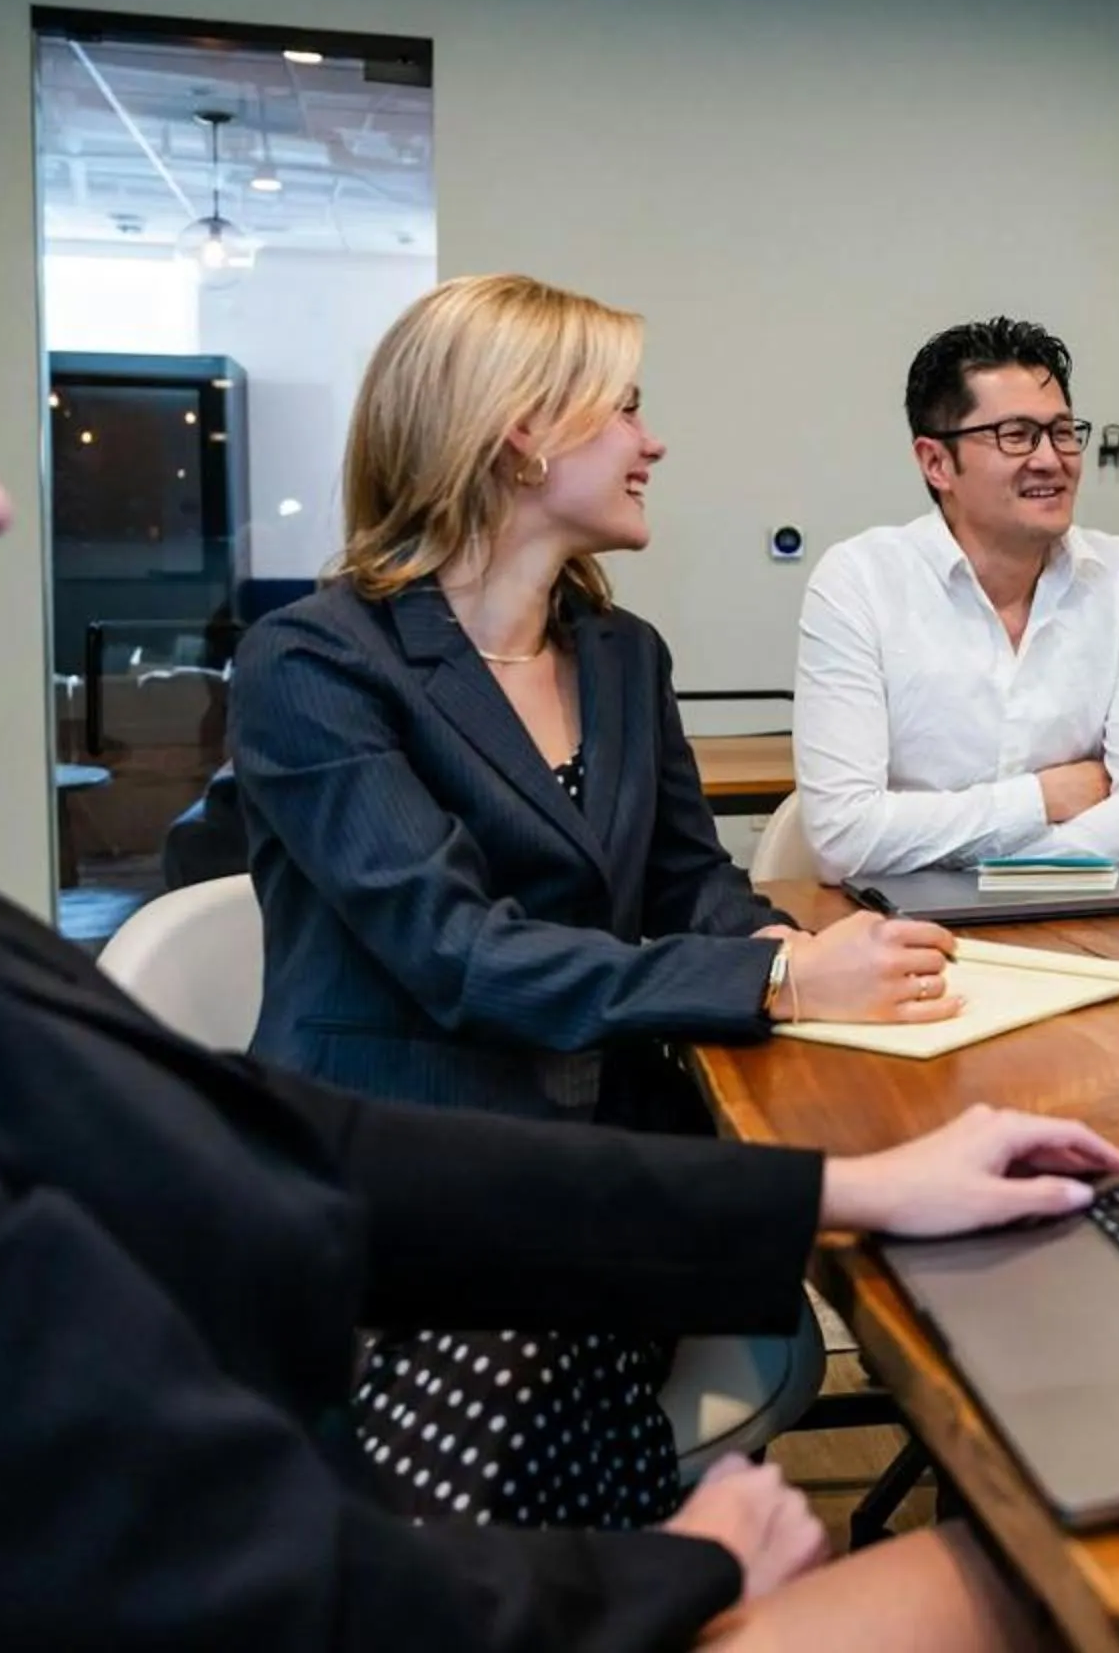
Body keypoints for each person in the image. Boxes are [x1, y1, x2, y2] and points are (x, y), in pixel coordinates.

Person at [0, 68, 1119, 1649]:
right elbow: (439, 979)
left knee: (1039, 1549)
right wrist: (682, 1567)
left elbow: (279, 1146)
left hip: (496, 1245)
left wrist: (844, 1176)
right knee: (1051, 1571)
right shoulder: (311, 664)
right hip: (381, 1390)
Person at [232, 272, 970, 1526]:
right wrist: (782, 981)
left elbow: (688, 881)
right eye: (625, 407)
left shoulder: (624, 656)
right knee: (509, 1417)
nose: (653, 438)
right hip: (408, 1186)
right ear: (520, 431)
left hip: (602, 1163)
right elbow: (455, 950)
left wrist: (796, 940)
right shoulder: (313, 663)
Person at [792, 316, 1119, 881]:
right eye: (1016, 435)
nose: (1051, 459)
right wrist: (1042, 799)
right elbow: (846, 837)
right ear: (936, 463)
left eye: (1061, 431)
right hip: (904, 938)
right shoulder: (859, 582)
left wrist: (998, 869)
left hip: (1080, 920)